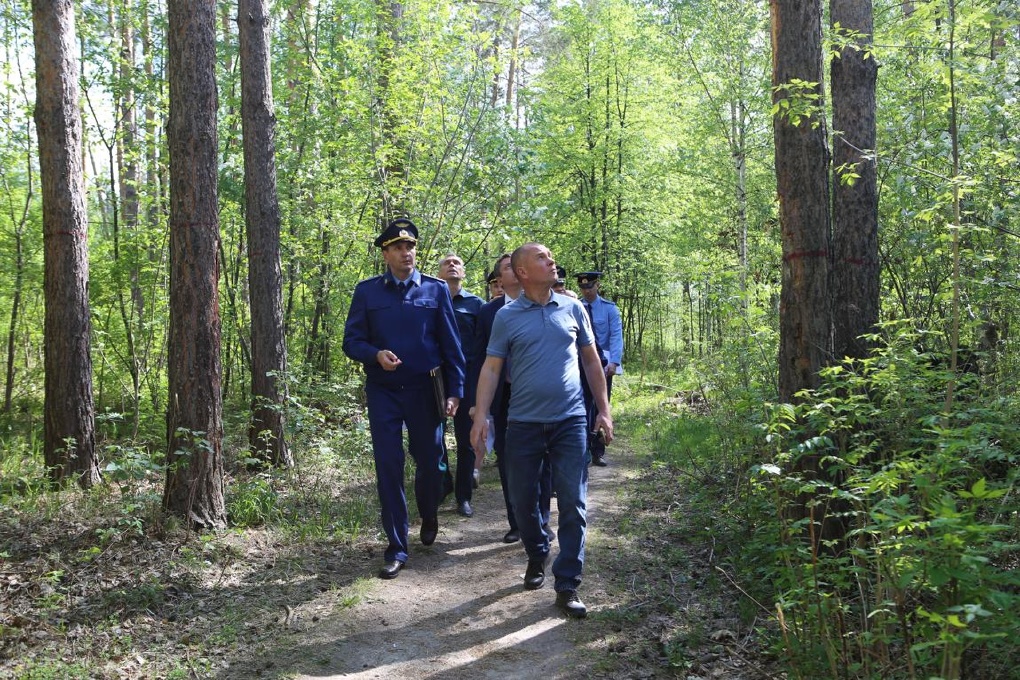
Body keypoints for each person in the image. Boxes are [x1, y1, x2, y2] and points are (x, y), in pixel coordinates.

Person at [471, 243, 613, 619]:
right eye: (542, 258)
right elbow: (491, 369)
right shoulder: (506, 317)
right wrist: (480, 417)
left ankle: (567, 583)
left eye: (551, 257)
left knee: (573, 502)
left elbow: (590, 359)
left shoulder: (573, 308)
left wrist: (604, 409)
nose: (552, 262)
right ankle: (537, 550)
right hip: (522, 424)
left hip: (570, 421)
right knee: (522, 501)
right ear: (521, 272)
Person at [342, 218, 465, 580]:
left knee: (430, 462)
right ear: (385, 253)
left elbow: (451, 346)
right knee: (389, 466)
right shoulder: (367, 293)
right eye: (397, 247)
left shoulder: (436, 289)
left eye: (410, 247)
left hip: (425, 391)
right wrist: (375, 354)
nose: (406, 253)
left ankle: (429, 510)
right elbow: (351, 342)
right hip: (384, 392)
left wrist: (456, 391)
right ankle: (396, 546)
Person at [468, 253, 554, 544]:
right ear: (501, 279)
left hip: (540, 397)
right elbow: (480, 359)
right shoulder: (489, 313)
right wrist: (477, 405)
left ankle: (542, 518)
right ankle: (516, 521)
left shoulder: (545, 304)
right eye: (506, 268)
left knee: (543, 457)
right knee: (508, 460)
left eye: (515, 267)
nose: (513, 272)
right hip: (504, 399)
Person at [437, 253, 484, 517]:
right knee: (432, 440)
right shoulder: (429, 300)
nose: (452, 265)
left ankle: (463, 496)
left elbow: (484, 348)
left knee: (467, 441)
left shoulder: (476, 304)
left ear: (463, 273)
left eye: (457, 263)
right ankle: (444, 482)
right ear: (439, 272)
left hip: (467, 382)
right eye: (447, 263)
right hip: (436, 381)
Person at [575, 271, 623, 467]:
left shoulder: (610, 309)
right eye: (583, 288)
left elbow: (616, 336)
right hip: (579, 364)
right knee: (582, 406)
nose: (587, 291)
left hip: (603, 364)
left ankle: (598, 450)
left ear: (597, 286)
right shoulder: (576, 307)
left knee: (601, 405)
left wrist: (614, 362)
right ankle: (583, 448)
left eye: (590, 286)